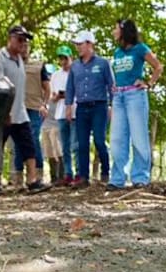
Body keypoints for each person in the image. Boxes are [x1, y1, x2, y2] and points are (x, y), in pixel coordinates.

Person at [108, 19, 163, 188]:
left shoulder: (140, 48)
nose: (113, 31)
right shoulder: (117, 52)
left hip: (135, 95)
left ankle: (140, 178)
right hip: (118, 97)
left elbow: (158, 67)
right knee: (117, 139)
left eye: (115, 28)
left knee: (139, 137)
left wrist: (148, 83)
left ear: (124, 30)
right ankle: (117, 179)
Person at [0, 24, 48, 193]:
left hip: (20, 111)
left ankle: (32, 180)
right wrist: (4, 111)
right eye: (19, 39)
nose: (22, 44)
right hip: (4, 112)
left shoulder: (19, 59)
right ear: (10, 38)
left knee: (29, 145)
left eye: (24, 41)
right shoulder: (0, 57)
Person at [64, 30, 113, 187]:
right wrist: (68, 106)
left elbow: (111, 85)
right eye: (77, 44)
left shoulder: (103, 63)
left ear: (90, 44)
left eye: (81, 44)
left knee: (99, 140)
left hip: (99, 106)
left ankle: (106, 173)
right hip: (81, 107)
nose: (78, 47)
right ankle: (83, 177)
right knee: (81, 144)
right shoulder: (75, 66)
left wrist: (112, 106)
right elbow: (70, 87)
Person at [17, 47, 51, 181]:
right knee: (18, 141)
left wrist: (44, 105)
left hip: (35, 108)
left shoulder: (38, 65)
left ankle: (37, 174)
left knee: (33, 137)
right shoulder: (11, 64)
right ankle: (17, 177)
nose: (23, 48)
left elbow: (47, 88)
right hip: (17, 108)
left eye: (26, 46)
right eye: (21, 45)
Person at [49, 44, 76, 185]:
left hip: (76, 112)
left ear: (71, 58)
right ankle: (67, 174)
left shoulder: (77, 72)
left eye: (65, 58)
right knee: (64, 146)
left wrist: (70, 95)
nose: (63, 62)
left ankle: (79, 173)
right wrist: (57, 96)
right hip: (60, 113)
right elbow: (52, 97)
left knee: (76, 144)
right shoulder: (55, 76)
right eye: (61, 59)